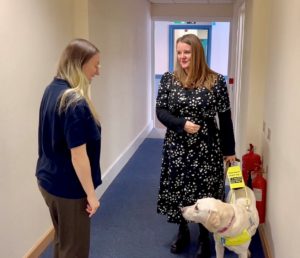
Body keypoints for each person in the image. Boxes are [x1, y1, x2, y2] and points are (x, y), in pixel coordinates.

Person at [156, 34, 236, 258]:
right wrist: (181, 124)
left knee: (205, 192)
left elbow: (225, 118)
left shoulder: (216, 81)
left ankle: (204, 236)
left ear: (197, 53)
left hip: (206, 148)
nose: (182, 56)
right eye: (179, 52)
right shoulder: (168, 79)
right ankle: (182, 231)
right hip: (177, 148)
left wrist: (229, 151)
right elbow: (161, 112)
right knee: (179, 190)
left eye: (187, 52)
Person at [36, 38, 102, 258]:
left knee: (64, 242)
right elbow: (79, 157)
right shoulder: (74, 102)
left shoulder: (52, 89)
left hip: (48, 180)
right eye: (95, 65)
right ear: (80, 64)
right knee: (74, 250)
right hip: (69, 189)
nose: (98, 71)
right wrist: (92, 196)